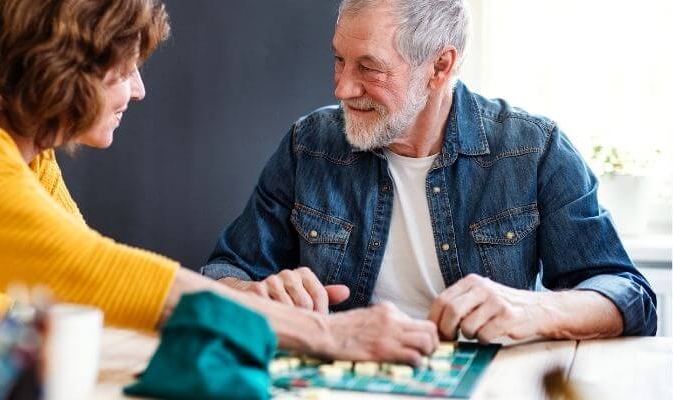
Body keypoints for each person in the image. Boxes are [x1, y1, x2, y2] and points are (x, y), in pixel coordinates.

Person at [0, 0, 439, 364]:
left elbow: (88, 284)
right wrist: (330, 335)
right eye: (126, 68)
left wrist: (244, 303)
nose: (139, 90)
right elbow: (99, 275)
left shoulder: (21, 151)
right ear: (63, 66)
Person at [202, 0, 657, 341]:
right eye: (339, 59)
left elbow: (629, 295)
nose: (341, 87)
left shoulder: (533, 148)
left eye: (369, 68)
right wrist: (258, 293)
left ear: (441, 65)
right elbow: (224, 271)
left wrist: (534, 309)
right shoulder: (309, 144)